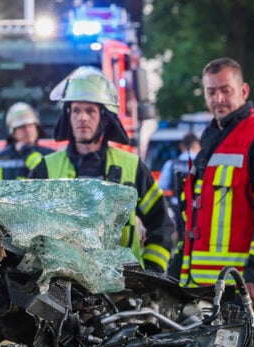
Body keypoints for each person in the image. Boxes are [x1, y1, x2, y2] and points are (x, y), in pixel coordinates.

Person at [180, 57, 254, 307]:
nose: (219, 99)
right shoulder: (214, 137)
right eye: (211, 92)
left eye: (226, 90)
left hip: (248, 285)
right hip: (210, 285)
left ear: (243, 91)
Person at [28, 67, 174, 273]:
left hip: (124, 287)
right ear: (68, 116)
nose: (83, 118)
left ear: (104, 118)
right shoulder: (45, 168)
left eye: (90, 111)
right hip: (61, 287)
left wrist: (152, 271)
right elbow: (26, 227)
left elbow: (161, 224)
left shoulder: (132, 167)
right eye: (76, 110)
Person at [158, 132, 201, 277]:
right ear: (196, 145)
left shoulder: (172, 164)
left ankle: (179, 261)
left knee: (181, 238)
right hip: (199, 208)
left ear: (182, 146)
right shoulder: (202, 163)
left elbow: (162, 187)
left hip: (177, 207)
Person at [0, 102, 53, 180]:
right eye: (22, 127)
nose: (28, 131)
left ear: (37, 128)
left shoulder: (50, 155)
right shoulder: (1, 158)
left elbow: (46, 175)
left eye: (30, 125)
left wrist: (27, 152)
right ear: (13, 133)